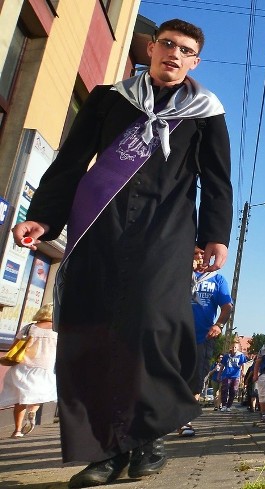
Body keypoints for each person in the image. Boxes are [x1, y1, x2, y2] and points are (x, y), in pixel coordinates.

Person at [12, 18, 232, 487]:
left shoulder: (206, 111)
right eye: (167, 44)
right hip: (101, 223)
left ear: (195, 61)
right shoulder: (110, 98)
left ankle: (149, 433)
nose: (173, 53)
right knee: (97, 328)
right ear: (152, 49)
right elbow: (72, 158)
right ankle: (107, 450)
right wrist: (45, 217)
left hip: (167, 227)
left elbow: (216, 180)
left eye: (185, 50)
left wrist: (216, 235)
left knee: (152, 326)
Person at [182, 246, 233, 436]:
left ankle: (185, 419)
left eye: (204, 253)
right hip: (176, 334)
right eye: (195, 253)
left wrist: (219, 325)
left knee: (195, 380)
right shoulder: (179, 274)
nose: (200, 256)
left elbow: (227, 306)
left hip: (202, 336)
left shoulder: (217, 279)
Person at [0, 304, 57, 438]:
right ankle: (33, 411)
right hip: (45, 368)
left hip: (23, 367)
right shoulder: (58, 330)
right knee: (40, 393)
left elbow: (14, 346)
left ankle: (17, 430)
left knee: (20, 400)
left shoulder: (29, 328)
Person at [220, 341, 247, 412]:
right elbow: (222, 366)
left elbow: (243, 364)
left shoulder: (241, 355)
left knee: (233, 391)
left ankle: (229, 406)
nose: (234, 348)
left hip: (235, 376)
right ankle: (224, 405)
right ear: (230, 348)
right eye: (233, 347)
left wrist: (243, 372)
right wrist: (219, 374)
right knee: (224, 390)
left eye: (235, 347)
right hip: (226, 375)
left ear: (237, 348)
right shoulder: (226, 356)